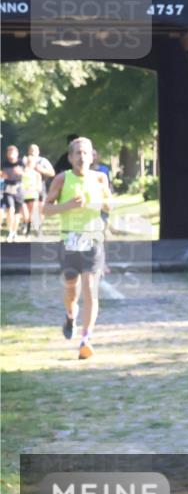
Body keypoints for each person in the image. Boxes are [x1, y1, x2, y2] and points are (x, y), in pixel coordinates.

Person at [42, 137, 111, 360]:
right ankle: (70, 316)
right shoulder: (62, 179)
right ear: (70, 157)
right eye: (78, 153)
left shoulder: (101, 178)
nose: (82, 157)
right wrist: (69, 205)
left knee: (90, 288)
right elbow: (46, 209)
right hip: (69, 240)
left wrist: (102, 203)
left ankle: (86, 339)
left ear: (92, 157)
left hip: (93, 239)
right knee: (71, 289)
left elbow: (110, 207)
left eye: (86, 153)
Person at [20, 145, 53, 237]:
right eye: (31, 150)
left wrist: (41, 170)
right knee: (28, 210)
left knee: (39, 208)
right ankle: (27, 226)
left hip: (39, 186)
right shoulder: (24, 160)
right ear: (28, 151)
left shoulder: (43, 161)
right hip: (25, 191)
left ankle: (38, 227)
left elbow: (52, 173)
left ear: (38, 151)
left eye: (35, 150)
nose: (33, 151)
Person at [1, 145, 25, 241]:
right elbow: (1, 176)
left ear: (17, 154)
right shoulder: (4, 164)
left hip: (19, 189)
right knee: (10, 210)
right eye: (9, 153)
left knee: (17, 214)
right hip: (8, 189)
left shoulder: (21, 163)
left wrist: (21, 173)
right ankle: (10, 232)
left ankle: (14, 232)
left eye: (13, 153)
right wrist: (3, 176)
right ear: (7, 154)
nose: (11, 155)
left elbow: (29, 174)